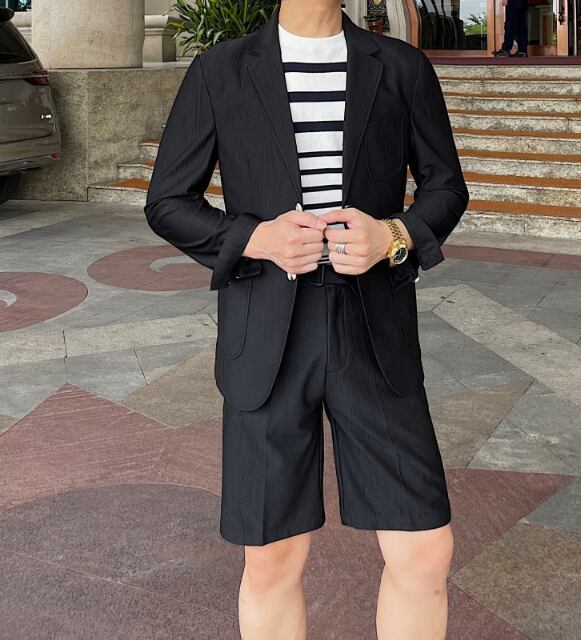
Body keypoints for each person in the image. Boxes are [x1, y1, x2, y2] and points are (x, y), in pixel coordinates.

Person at [144, 1, 469, 638]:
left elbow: (446, 186)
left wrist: (393, 236)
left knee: (425, 549)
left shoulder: (401, 67)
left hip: (374, 331)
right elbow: (168, 201)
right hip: (267, 332)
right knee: (271, 559)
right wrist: (253, 237)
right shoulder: (220, 70)